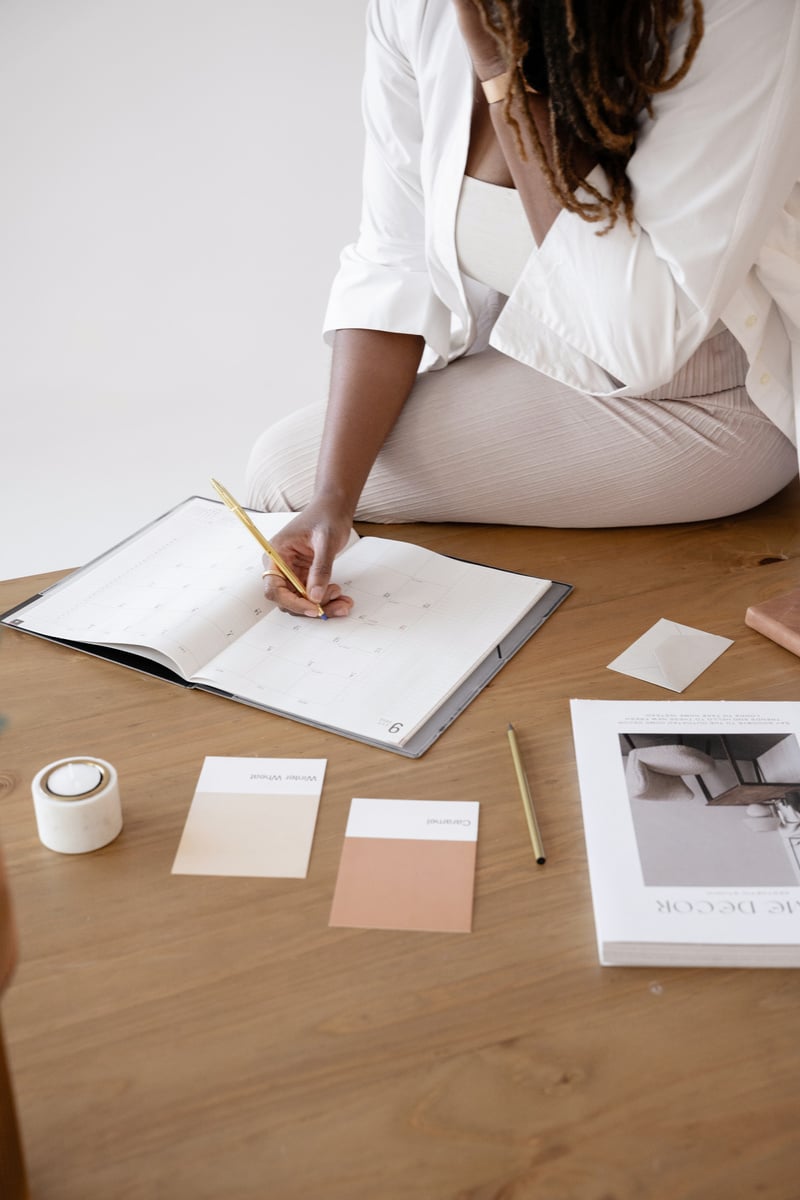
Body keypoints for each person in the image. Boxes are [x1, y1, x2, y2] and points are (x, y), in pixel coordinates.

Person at [245, 0, 800, 620]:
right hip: (535, 360)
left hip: (703, 403)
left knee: (279, 468)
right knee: (298, 482)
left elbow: (638, 344)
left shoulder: (733, 14)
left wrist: (503, 72)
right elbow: (394, 259)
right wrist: (333, 497)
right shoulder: (416, 10)